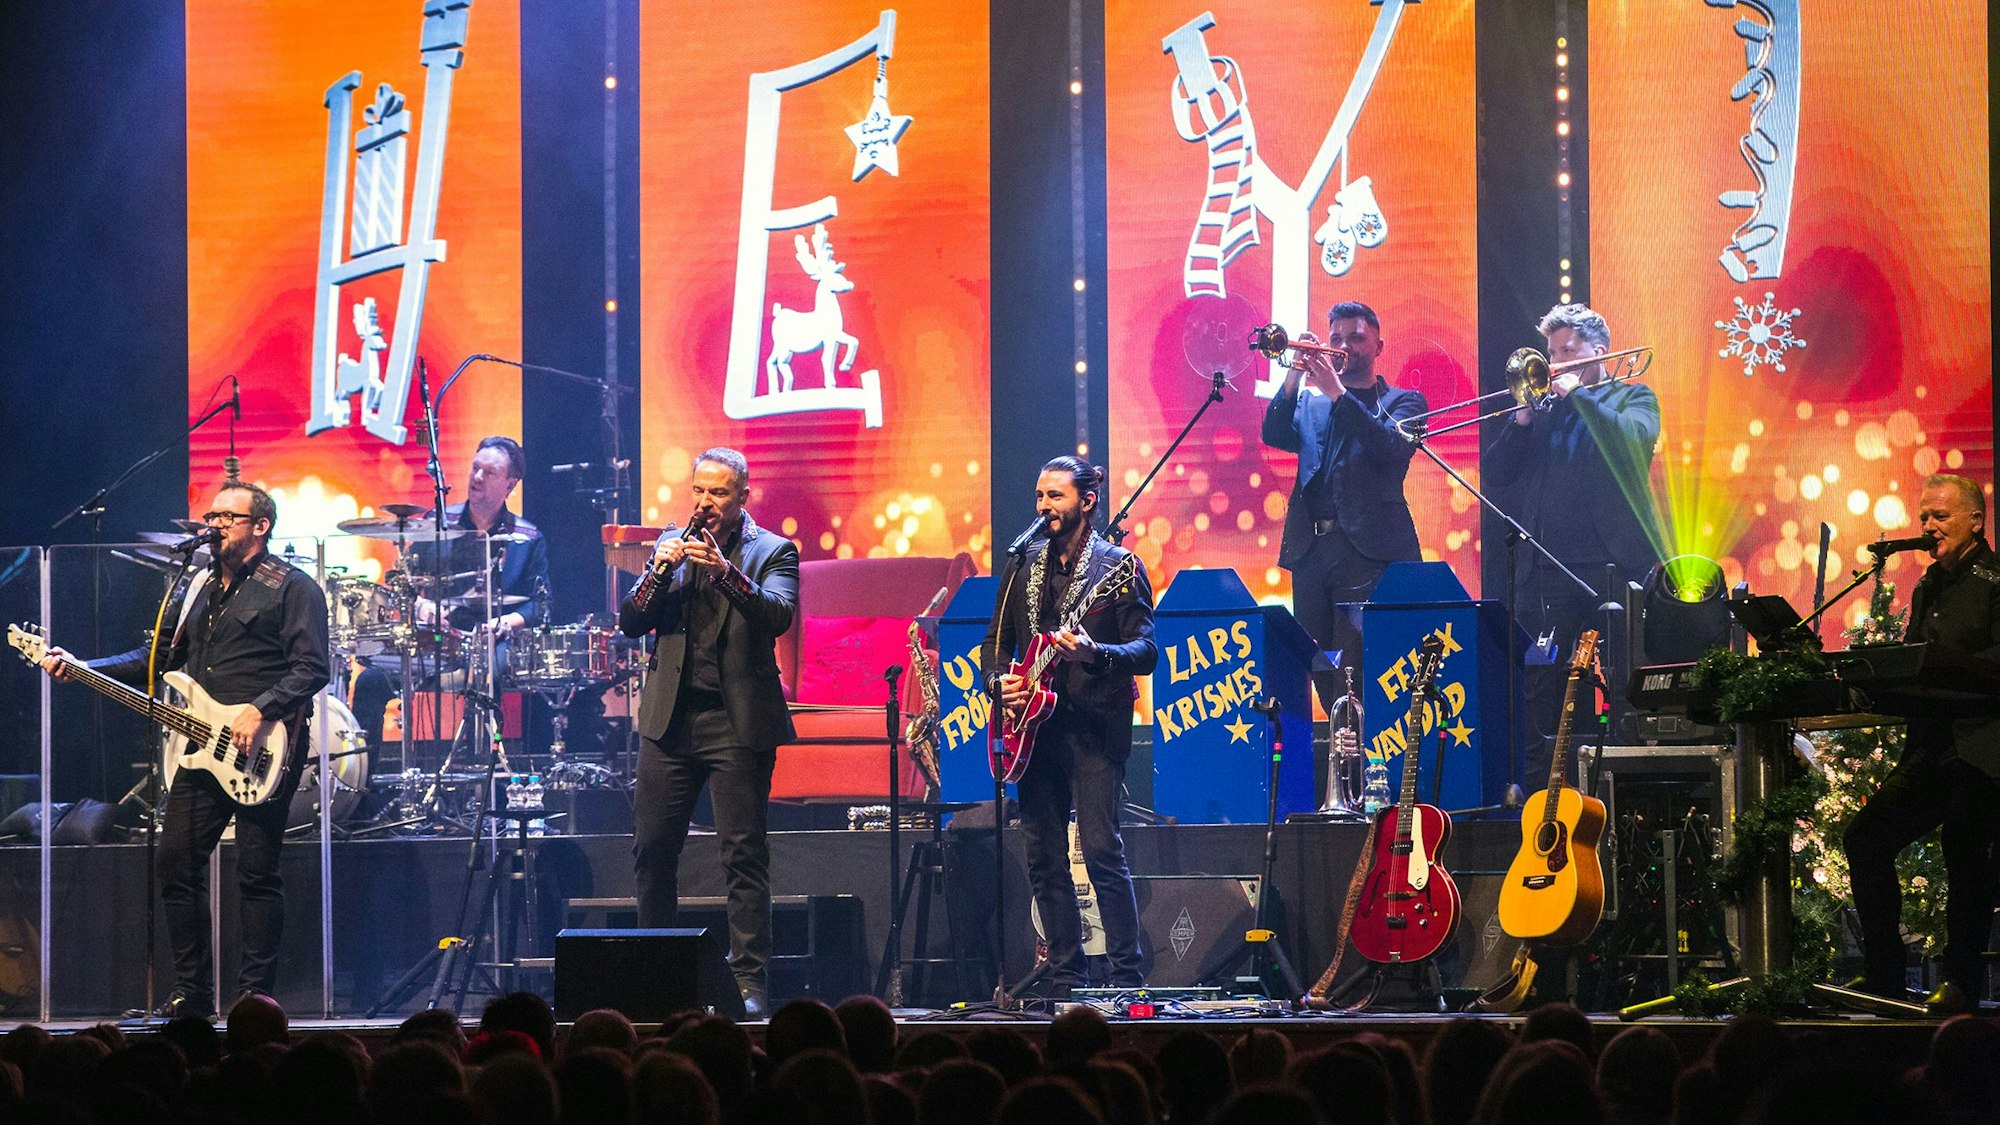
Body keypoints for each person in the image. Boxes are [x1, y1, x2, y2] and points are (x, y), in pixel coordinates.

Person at [40, 483, 330, 1018]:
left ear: (259, 526)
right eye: (211, 513)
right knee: (176, 862)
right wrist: (82, 666)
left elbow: (313, 667)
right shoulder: (196, 585)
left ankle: (254, 999)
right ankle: (192, 993)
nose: (214, 523)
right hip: (202, 748)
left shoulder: (292, 587)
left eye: (227, 515)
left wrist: (262, 706)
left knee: (257, 870)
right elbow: (156, 659)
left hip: (266, 745)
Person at [618, 447, 798, 1018]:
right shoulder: (671, 546)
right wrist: (658, 570)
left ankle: (749, 984)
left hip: (735, 722)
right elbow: (631, 621)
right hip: (669, 721)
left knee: (742, 855)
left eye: (718, 493)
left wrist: (726, 575)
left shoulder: (774, 551)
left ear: (743, 496)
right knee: (652, 851)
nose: (705, 503)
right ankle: (654, 971)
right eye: (699, 491)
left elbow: (778, 615)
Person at [982, 456, 1157, 993]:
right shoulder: (1022, 563)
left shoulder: (1120, 568)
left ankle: (1127, 980)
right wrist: (998, 685)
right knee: (1043, 856)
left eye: (1055, 497)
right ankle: (1065, 977)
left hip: (1094, 729)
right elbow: (996, 643)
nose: (1044, 507)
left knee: (1102, 850)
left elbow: (1146, 651)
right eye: (1039, 496)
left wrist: (1094, 651)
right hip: (1033, 732)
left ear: (1087, 501)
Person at [1843, 473, 2000, 1015]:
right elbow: (1915, 664)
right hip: (1933, 746)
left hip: (1983, 749)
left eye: (1940, 516)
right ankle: (1885, 975)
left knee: (1964, 846)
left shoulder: (1996, 581)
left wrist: (1939, 669)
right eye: (1924, 517)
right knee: (1866, 838)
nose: (1928, 526)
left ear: (1976, 521)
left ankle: (1960, 982)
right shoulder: (1928, 585)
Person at [1483, 304, 1660, 776]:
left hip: (1612, 569)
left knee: (1620, 682)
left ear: (1599, 351)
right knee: (1547, 690)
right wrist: (1522, 415)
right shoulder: (1546, 412)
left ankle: (1625, 785)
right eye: (1551, 351)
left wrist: (1580, 394)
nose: (1556, 360)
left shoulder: (1633, 398)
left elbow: (1632, 441)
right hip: (1548, 571)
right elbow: (1496, 473)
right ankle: (1549, 788)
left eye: (1567, 350)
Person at [1260, 300, 1427, 681]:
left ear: (1378, 347)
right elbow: (1272, 433)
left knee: (1359, 666)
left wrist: (1337, 393)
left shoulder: (1403, 402)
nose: (1344, 346)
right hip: (1311, 552)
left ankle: (1357, 738)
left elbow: (1390, 448)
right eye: (1336, 338)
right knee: (1317, 662)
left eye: (1356, 338)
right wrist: (1293, 376)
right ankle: (1343, 736)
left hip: (1369, 551)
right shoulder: (1309, 404)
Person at [350, 435, 549, 745]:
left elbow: (539, 605)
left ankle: (477, 773)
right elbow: (404, 585)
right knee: (370, 681)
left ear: (510, 484)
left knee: (489, 676)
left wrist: (504, 623)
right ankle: (363, 785)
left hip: (490, 642)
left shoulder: (527, 537)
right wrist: (422, 608)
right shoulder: (437, 523)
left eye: (490, 473)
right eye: (475, 468)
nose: (478, 478)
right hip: (436, 637)